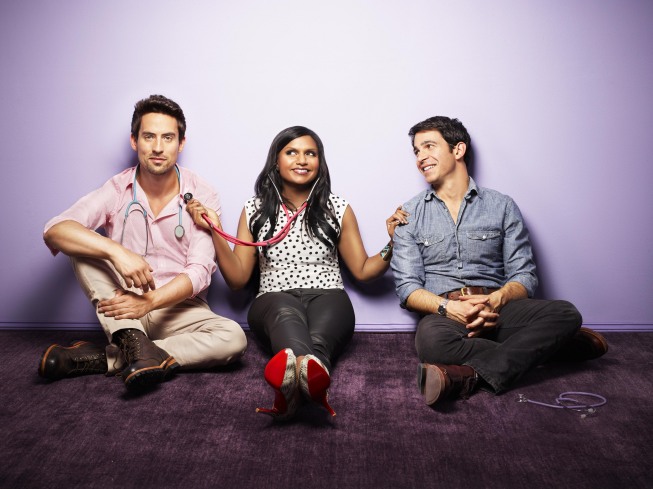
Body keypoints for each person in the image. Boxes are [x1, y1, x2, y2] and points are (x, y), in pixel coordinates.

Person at [187, 126, 407, 419]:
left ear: (319, 162)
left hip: (328, 296)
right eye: (291, 152)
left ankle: (292, 388)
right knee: (285, 312)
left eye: (310, 154)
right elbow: (237, 280)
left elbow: (364, 270)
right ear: (276, 161)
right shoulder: (254, 208)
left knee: (318, 341)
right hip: (273, 298)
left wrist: (393, 243)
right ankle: (311, 377)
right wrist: (214, 229)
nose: (302, 160)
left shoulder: (338, 207)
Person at [391, 116, 608, 406]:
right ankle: (553, 349)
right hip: (445, 313)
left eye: (429, 146)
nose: (420, 157)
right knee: (431, 344)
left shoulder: (502, 205)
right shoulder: (409, 214)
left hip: (500, 307)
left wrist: (494, 301)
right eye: (416, 151)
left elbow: (524, 276)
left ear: (458, 150)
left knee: (566, 313)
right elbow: (407, 289)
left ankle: (467, 376)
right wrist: (450, 308)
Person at [39, 94, 247, 391]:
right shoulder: (116, 189)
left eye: (168, 138)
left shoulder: (202, 192)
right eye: (149, 136)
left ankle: (113, 357)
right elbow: (55, 230)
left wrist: (149, 302)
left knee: (233, 338)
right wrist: (115, 251)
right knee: (82, 244)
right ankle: (133, 341)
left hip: (180, 309)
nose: (158, 147)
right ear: (134, 141)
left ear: (181, 143)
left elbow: (200, 271)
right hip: (124, 307)